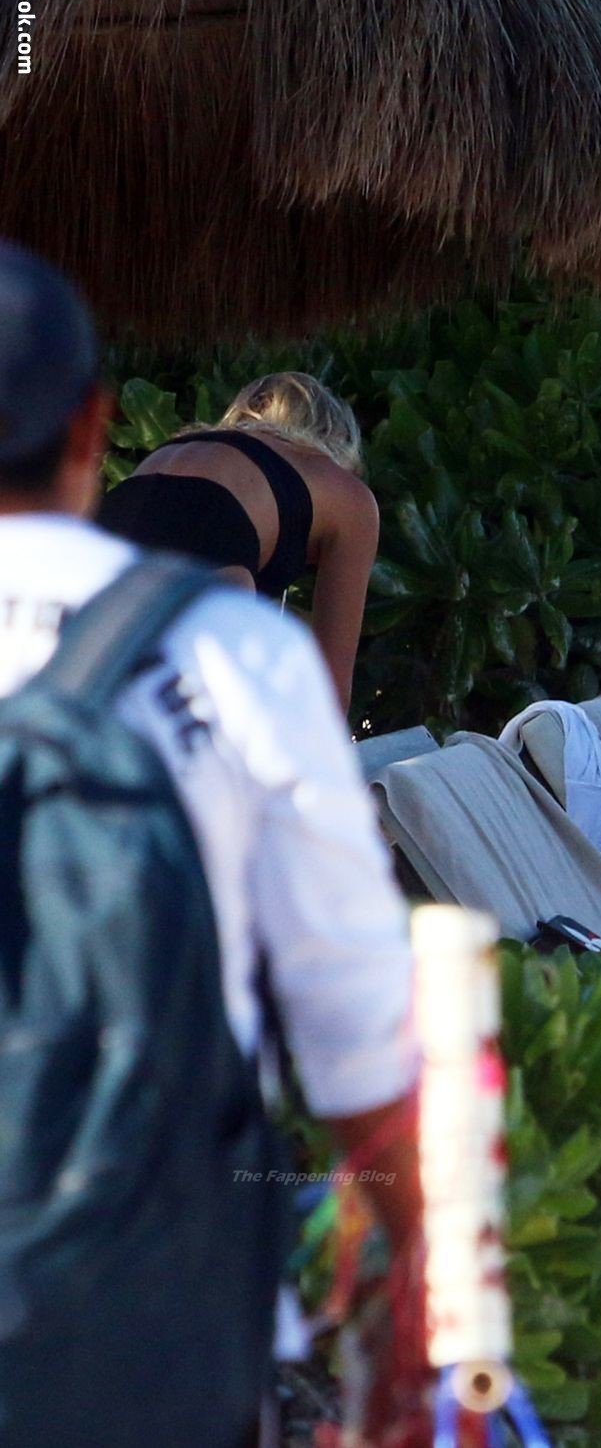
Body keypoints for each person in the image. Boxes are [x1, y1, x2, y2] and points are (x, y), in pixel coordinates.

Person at [0, 245, 426, 1446]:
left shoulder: (173, 467)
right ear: (92, 425)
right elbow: (329, 709)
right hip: (150, 1268)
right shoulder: (281, 585)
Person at [97, 370, 379, 713]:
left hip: (112, 518)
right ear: (336, 440)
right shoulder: (346, 492)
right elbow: (330, 691)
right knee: (236, 712)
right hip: (213, 520)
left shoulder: (189, 445)